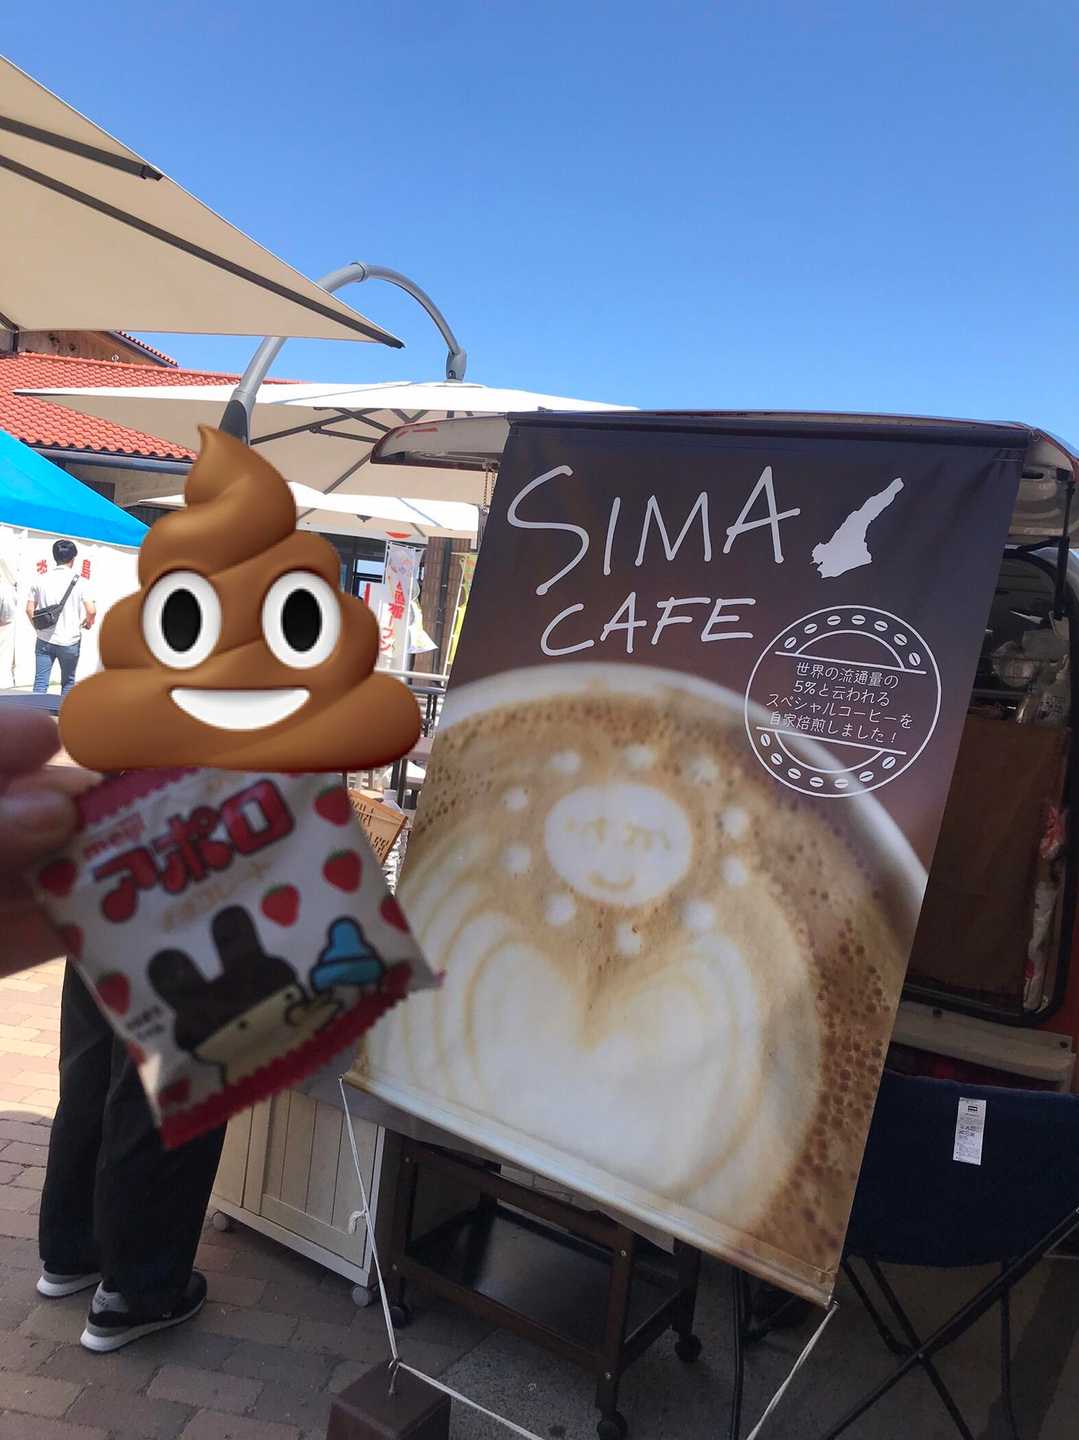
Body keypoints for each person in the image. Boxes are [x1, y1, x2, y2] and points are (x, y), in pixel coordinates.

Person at [0, 707, 224, 1351]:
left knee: (93, 1065)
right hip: (197, 842)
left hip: (112, 831)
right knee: (170, 1076)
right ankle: (137, 1288)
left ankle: (73, 1248)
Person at [27, 539, 95, 699]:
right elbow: (91, 610)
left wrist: (38, 628)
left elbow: (29, 609)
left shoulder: (40, 580)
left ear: (54, 556)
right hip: (70, 641)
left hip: (44, 639)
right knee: (68, 682)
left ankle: (36, 713)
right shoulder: (81, 582)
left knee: (40, 682)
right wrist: (88, 622)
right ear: (73, 558)